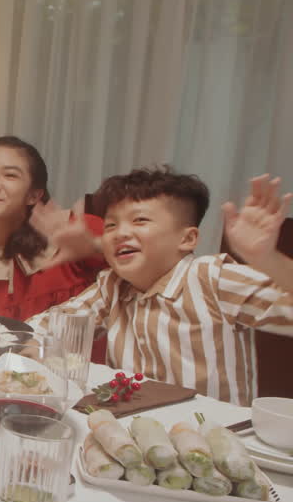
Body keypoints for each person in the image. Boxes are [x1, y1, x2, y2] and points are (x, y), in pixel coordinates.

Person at [32, 168, 293, 406]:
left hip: (213, 438)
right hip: (130, 429)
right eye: (111, 224)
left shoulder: (212, 278)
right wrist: (28, 343)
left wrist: (265, 258)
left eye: (140, 220)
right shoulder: (111, 286)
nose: (120, 233)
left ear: (187, 238)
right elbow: (48, 327)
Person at [0, 136, 106, 321]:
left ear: (34, 195)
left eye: (10, 175)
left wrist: (96, 247)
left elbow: (140, 282)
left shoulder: (76, 229)